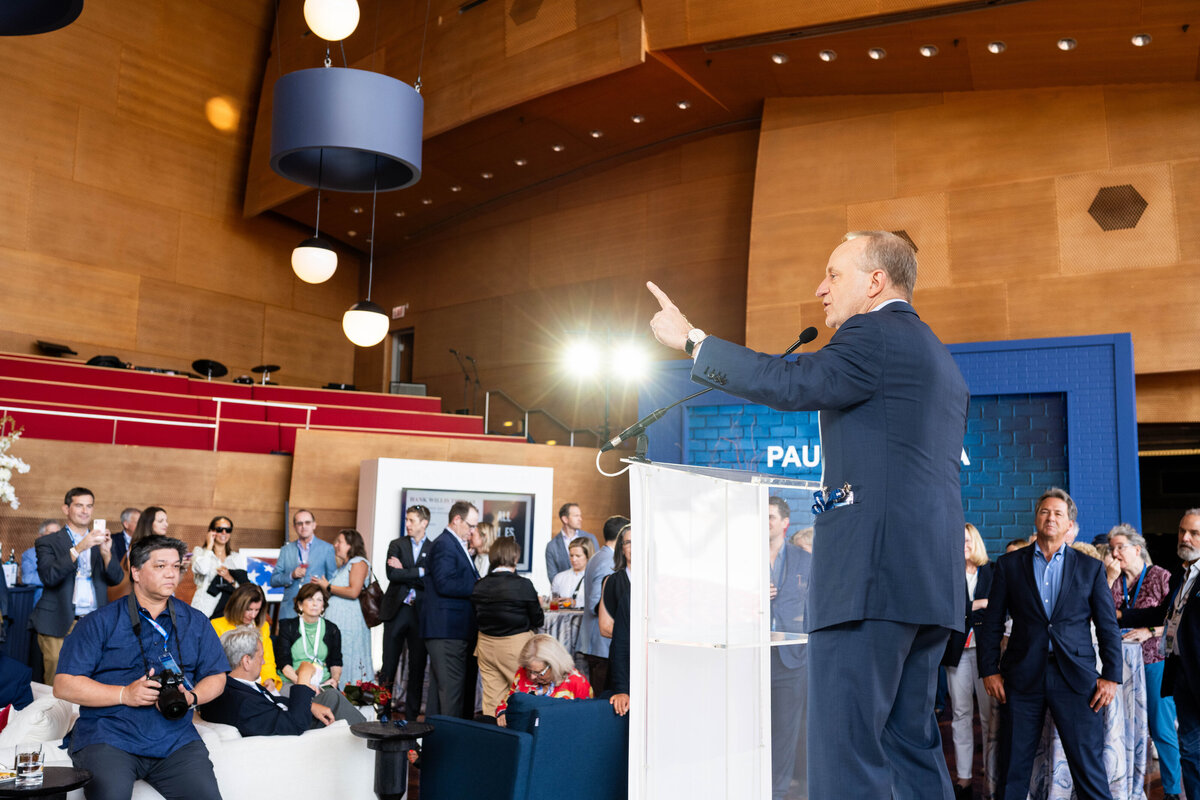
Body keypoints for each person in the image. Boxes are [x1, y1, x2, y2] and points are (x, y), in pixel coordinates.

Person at [647, 230, 969, 799]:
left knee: (845, 756)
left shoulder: (874, 332)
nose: (821, 289)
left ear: (875, 282)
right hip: (926, 588)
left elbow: (790, 381)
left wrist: (694, 342)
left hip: (871, 583)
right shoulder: (937, 354)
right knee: (910, 751)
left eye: (834, 274)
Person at [54, 534, 227, 800]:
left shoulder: (196, 621)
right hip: (110, 737)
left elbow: (216, 675)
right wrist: (124, 694)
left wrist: (193, 697)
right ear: (135, 572)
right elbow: (63, 684)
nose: (171, 574)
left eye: (176, 566)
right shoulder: (99, 622)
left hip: (175, 740)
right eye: (160, 566)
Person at [978, 488, 1123, 800]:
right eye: (1045, 511)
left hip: (1075, 677)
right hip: (1021, 677)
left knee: (1088, 770)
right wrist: (988, 669)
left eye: (1058, 513)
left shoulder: (1090, 567)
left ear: (1069, 523)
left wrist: (1111, 675)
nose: (1051, 517)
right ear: (1036, 518)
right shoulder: (1008, 565)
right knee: (1013, 769)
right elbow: (991, 623)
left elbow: (1108, 626)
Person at [1108, 523, 1182, 800]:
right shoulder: (1114, 580)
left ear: (1137, 549)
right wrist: (1108, 577)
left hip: (1154, 659)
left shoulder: (1160, 576)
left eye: (1120, 547)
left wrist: (1150, 630)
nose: (1115, 553)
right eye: (1111, 548)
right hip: (1121, 663)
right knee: (1125, 726)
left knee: (1160, 727)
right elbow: (1100, 613)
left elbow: (1177, 618)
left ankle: (1173, 790)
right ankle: (1127, 786)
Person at [31, 487, 124, 680]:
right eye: (79, 505)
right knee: (56, 679)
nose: (85, 511)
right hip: (58, 620)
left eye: (89, 506)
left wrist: (106, 553)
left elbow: (116, 578)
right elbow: (49, 576)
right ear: (66, 509)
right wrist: (80, 547)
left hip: (93, 619)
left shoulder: (100, 540)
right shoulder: (48, 541)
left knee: (91, 676)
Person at [200, 625, 361, 735]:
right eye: (261, 657)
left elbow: (273, 700)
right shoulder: (241, 702)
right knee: (335, 700)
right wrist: (304, 676)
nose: (263, 662)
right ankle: (372, 747)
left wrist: (309, 705)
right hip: (294, 734)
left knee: (330, 697)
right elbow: (295, 725)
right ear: (246, 661)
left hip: (284, 716)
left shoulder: (229, 686)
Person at [941, 523, 993, 800]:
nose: (964, 544)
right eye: (958, 540)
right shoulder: (947, 573)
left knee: (989, 716)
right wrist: (979, 604)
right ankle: (964, 777)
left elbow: (1000, 605)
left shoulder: (991, 571)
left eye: (967, 539)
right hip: (957, 651)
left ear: (976, 542)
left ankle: (990, 770)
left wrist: (980, 605)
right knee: (960, 714)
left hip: (986, 652)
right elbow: (945, 608)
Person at [767, 497, 811, 800]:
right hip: (751, 655)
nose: (764, 521)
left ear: (785, 523)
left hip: (791, 658)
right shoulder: (742, 555)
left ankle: (777, 791)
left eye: (770, 516)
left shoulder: (803, 559)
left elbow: (813, 605)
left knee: (785, 731)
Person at [471, 536, 544, 718]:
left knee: (492, 700)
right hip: (515, 645)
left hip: (485, 645)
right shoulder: (523, 585)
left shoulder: (479, 585)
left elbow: (475, 615)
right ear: (515, 557)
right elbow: (538, 620)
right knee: (523, 694)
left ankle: (495, 740)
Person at [421, 500, 481, 719]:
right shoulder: (445, 544)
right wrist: (479, 586)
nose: (473, 531)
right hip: (448, 630)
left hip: (449, 630)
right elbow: (444, 583)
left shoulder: (452, 544)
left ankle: (436, 745)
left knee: (442, 696)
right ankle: (451, 747)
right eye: (470, 525)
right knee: (451, 696)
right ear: (457, 520)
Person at [381, 504, 431, 718]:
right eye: (407, 520)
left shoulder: (434, 547)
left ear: (424, 523)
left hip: (420, 614)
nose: (407, 524)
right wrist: (419, 572)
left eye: (412, 520)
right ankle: (382, 713)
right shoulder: (396, 545)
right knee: (388, 666)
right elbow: (392, 574)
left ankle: (411, 717)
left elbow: (430, 580)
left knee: (417, 668)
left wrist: (408, 571)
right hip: (396, 611)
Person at [312, 528, 372, 687]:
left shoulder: (358, 562)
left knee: (348, 654)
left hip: (350, 622)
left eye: (340, 542)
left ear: (351, 545)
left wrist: (328, 586)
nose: (335, 545)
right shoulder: (342, 567)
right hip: (338, 621)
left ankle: (349, 691)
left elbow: (353, 591)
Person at [495, 634, 592, 726]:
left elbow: (586, 719)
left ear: (555, 666)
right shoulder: (523, 672)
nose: (532, 677)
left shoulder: (577, 682)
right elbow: (507, 702)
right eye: (529, 671)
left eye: (539, 673)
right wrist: (503, 714)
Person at [579, 515, 624, 692]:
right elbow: (595, 603)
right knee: (601, 696)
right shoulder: (608, 561)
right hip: (600, 643)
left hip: (596, 642)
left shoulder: (599, 556)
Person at [274, 583, 344, 692]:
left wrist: (334, 679)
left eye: (319, 600)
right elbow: (283, 663)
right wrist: (303, 685)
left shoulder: (332, 629)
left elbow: (336, 661)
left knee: (335, 705)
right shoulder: (288, 627)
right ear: (300, 605)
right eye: (310, 599)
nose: (315, 604)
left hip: (322, 683)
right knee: (303, 702)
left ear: (323, 606)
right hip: (293, 681)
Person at [270, 509, 337, 621]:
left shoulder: (327, 549)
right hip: (290, 610)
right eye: (299, 523)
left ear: (314, 525)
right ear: (294, 527)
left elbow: (333, 581)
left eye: (307, 522)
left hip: (316, 610)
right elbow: (274, 580)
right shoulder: (286, 550)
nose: (303, 526)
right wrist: (291, 575)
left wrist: (323, 587)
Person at [210, 584, 279, 690]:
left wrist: (269, 679)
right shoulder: (216, 625)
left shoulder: (263, 626)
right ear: (237, 606)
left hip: (259, 684)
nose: (253, 615)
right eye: (249, 609)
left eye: (257, 610)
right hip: (228, 685)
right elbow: (215, 664)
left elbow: (267, 659)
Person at [600, 522, 632, 717]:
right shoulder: (611, 581)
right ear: (621, 548)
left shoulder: (657, 580)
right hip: (623, 659)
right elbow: (605, 627)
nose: (633, 547)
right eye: (628, 542)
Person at [191, 516, 248, 620]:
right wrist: (209, 546)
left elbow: (243, 588)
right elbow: (202, 569)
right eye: (219, 529)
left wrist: (229, 578)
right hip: (203, 607)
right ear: (211, 531)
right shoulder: (200, 552)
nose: (224, 533)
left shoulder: (236, 558)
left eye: (228, 530)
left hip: (228, 609)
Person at [545, 503, 598, 580]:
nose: (580, 519)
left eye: (580, 515)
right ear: (565, 519)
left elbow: (597, 566)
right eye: (576, 516)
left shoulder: (590, 538)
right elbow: (552, 576)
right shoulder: (552, 546)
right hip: (563, 589)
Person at [20, 519, 59, 606]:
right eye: (52, 533)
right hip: (42, 599)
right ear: (41, 536)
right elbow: (27, 578)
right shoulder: (29, 554)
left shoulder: (66, 554)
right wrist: (53, 578)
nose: (56, 537)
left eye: (58, 533)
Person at [551, 538, 591, 607]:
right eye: (571, 555)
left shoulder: (593, 578)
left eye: (578, 556)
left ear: (587, 556)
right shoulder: (559, 577)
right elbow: (553, 603)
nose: (573, 559)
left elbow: (596, 603)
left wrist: (576, 603)